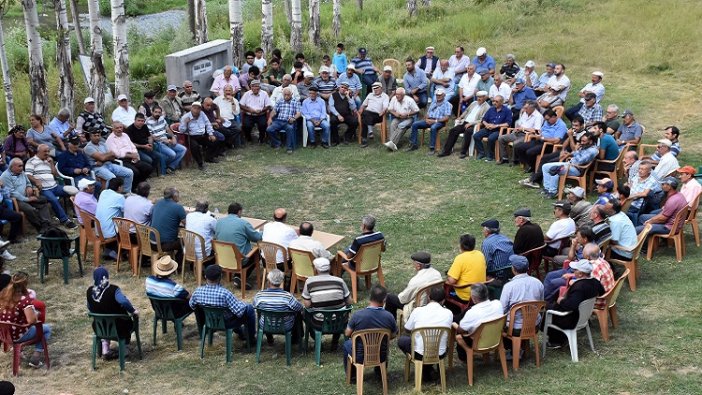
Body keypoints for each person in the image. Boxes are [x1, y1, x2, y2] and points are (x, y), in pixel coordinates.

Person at [189, 264, 256, 346]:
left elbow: (192, 305)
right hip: (226, 323)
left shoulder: (197, 292)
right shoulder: (225, 294)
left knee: (231, 312)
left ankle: (242, 334)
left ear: (205, 276)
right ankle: (250, 339)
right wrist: (243, 304)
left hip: (209, 322)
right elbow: (239, 313)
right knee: (249, 309)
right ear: (220, 277)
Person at [543, 259, 604, 348]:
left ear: (580, 274)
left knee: (547, 309)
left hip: (572, 318)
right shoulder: (595, 282)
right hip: (584, 315)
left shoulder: (579, 288)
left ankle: (556, 341)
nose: (573, 271)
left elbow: (571, 305)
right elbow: (602, 291)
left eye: (575, 270)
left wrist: (561, 300)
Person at [397, 286, 452, 380]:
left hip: (420, 354)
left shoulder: (418, 311)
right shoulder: (448, 313)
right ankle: (429, 370)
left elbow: (407, 328)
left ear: (428, 298)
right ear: (443, 300)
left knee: (402, 340)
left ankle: (426, 370)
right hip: (440, 353)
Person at [343, 285, 397, 378]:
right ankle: (380, 373)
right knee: (382, 345)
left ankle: (352, 376)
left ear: (370, 298)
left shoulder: (358, 315)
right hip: (381, 355)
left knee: (347, 344)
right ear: (384, 300)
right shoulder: (389, 316)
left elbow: (347, 333)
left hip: (360, 356)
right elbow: (393, 334)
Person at [0, 272, 51, 368]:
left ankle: (18, 350)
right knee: (46, 329)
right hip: (18, 335)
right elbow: (32, 321)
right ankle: (36, 356)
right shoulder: (24, 301)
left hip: (4, 335)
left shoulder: (3, 297)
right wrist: (36, 314)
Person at [87, 266, 138, 360]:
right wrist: (133, 311)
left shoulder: (90, 291)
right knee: (125, 323)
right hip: (119, 327)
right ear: (107, 276)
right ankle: (124, 349)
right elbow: (123, 301)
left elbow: (89, 307)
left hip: (99, 328)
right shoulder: (114, 290)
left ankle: (105, 349)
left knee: (106, 321)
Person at [301, 257, 352, 349]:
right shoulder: (339, 281)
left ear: (316, 270)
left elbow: (307, 305)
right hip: (339, 322)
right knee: (340, 312)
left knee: (304, 313)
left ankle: (317, 341)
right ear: (329, 269)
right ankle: (335, 341)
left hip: (319, 322)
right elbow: (349, 301)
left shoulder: (309, 282)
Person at [499, 255, 543, 356]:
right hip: (534, 325)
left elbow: (502, 309)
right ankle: (522, 348)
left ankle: (512, 350)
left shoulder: (509, 286)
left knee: (499, 324)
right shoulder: (538, 283)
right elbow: (541, 303)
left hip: (515, 328)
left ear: (513, 269)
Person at [25, 144, 78, 228]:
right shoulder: (31, 161)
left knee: (74, 191)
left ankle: (78, 213)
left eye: (48, 151)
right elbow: (28, 175)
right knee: (53, 200)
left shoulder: (48, 160)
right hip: (43, 189)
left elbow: (55, 174)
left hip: (55, 187)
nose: (47, 153)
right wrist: (36, 181)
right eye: (45, 151)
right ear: (38, 151)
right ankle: (65, 220)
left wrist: (52, 164)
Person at [215, 202, 262, 288]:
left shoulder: (219, 222)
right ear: (239, 212)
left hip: (223, 258)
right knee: (257, 253)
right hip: (239, 260)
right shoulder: (243, 223)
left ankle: (237, 276)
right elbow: (257, 237)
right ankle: (239, 277)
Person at [384, 251, 442, 320]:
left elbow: (403, 299)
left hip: (418, 306)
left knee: (390, 298)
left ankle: (390, 326)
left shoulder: (416, 281)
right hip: (433, 303)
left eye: (413, 263)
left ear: (418, 265)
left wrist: (399, 295)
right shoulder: (437, 274)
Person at [0, 158, 52, 234]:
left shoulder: (22, 172)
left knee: (43, 201)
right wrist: (27, 199)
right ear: (12, 167)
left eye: (22, 166)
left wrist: (29, 187)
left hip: (27, 196)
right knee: (30, 209)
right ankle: (39, 226)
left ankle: (46, 223)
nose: (22, 168)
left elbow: (28, 182)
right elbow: (12, 192)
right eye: (19, 166)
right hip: (17, 200)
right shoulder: (5, 176)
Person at [540, 132, 600, 198]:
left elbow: (580, 161)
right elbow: (575, 154)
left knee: (556, 169)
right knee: (545, 167)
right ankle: (547, 189)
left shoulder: (592, 151)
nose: (582, 142)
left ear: (590, 141)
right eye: (581, 141)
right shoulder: (585, 146)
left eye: (584, 141)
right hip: (569, 164)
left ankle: (553, 192)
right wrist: (569, 154)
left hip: (576, 169)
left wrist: (576, 150)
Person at [453, 283, 503, 362]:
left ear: (473, 298)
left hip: (478, 342)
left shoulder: (472, 312)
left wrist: (454, 324)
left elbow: (461, 330)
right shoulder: (498, 304)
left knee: (459, 334)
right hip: (495, 338)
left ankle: (465, 357)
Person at [253, 269, 303, 342]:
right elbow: (299, 308)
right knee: (297, 313)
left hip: (265, 325)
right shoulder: (288, 296)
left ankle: (269, 337)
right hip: (285, 326)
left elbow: (254, 306)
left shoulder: (259, 296)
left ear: (269, 281)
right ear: (281, 281)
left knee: (264, 313)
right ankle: (296, 338)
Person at [437, 91, 489, 159]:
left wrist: (471, 123)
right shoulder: (474, 103)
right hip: (465, 122)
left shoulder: (487, 107)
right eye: (478, 97)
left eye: (480, 97)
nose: (478, 98)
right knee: (453, 130)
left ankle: (463, 152)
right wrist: (461, 117)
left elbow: (482, 120)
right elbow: (466, 111)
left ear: (485, 98)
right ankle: (446, 151)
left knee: (468, 132)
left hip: (474, 125)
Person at [408, 88, 451, 154]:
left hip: (439, 122)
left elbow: (447, 118)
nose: (438, 96)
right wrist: (426, 119)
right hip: (430, 120)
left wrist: (435, 121)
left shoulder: (447, 104)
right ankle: (414, 144)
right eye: (437, 95)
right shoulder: (433, 103)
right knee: (415, 124)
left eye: (439, 95)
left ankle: (432, 148)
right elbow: (427, 114)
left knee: (433, 127)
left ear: (444, 95)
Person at [446, 234, 487, 304]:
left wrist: (448, 275)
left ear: (461, 245)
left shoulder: (460, 258)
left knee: (445, 285)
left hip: (465, 295)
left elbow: (452, 281)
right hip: (480, 291)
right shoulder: (480, 254)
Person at [145, 106, 187, 173]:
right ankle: (164, 166)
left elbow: (168, 129)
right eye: (155, 112)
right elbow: (151, 136)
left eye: (159, 112)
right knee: (172, 154)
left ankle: (171, 167)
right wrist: (163, 140)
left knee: (183, 149)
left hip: (167, 140)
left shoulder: (162, 119)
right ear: (152, 112)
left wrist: (173, 137)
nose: (157, 114)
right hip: (158, 143)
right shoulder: (148, 122)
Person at [178, 101, 217, 170]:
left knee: (215, 141)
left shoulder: (202, 114)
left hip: (202, 135)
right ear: (191, 109)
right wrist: (185, 123)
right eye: (194, 108)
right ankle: (200, 164)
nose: (196, 110)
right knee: (195, 147)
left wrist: (211, 134)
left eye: (198, 108)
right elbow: (181, 131)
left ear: (200, 109)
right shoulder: (185, 117)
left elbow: (208, 124)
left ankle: (208, 158)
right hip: (192, 136)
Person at [151, 187, 186, 263]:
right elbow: (188, 224)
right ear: (174, 196)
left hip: (151, 243)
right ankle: (176, 264)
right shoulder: (178, 207)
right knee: (186, 241)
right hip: (164, 245)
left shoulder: (158, 203)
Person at [472, 95, 512, 161]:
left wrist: (496, 126)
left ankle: (490, 155)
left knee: (491, 138)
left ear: (501, 102)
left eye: (496, 101)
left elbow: (508, 123)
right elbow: (484, 120)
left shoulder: (507, 111)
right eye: (493, 101)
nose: (494, 103)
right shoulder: (491, 109)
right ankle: (481, 153)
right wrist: (486, 124)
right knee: (476, 136)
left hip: (498, 130)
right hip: (488, 128)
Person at [95, 178, 125, 257]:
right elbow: (126, 210)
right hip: (109, 233)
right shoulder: (119, 197)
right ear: (119, 187)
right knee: (127, 222)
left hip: (99, 231)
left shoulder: (103, 192)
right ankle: (121, 250)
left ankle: (109, 250)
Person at [480, 219, 515, 284]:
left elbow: (487, 263)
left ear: (487, 231)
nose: (482, 231)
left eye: (483, 230)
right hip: (512, 270)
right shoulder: (505, 238)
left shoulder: (487, 243)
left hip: (499, 273)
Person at [267, 87, 301, 153]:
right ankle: (277, 143)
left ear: (292, 94)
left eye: (288, 95)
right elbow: (274, 111)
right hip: (278, 121)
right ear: (282, 94)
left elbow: (299, 113)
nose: (286, 96)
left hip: (289, 121)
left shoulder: (296, 102)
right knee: (269, 129)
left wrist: (293, 118)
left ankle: (289, 147)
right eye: (285, 95)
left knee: (290, 128)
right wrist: (270, 118)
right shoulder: (280, 101)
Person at [359, 82, 390, 147]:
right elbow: (364, 105)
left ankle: (365, 136)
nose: (375, 90)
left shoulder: (385, 96)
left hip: (378, 115)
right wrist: (361, 109)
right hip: (368, 114)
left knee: (364, 116)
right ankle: (365, 137)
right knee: (365, 114)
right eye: (374, 88)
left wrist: (383, 111)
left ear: (381, 88)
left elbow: (385, 107)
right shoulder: (370, 95)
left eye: (377, 88)